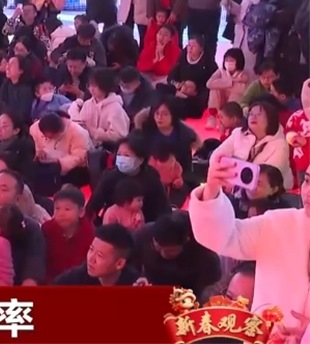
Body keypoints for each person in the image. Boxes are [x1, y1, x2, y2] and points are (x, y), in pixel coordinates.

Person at [191, 155, 310, 341]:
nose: (308, 192)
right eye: (308, 181)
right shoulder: (278, 223)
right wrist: (212, 191)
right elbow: (223, 237)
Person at [133, 211, 222, 297]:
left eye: (170, 251)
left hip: (189, 293)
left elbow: (212, 284)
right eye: (158, 248)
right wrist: (140, 277)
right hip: (153, 288)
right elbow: (130, 262)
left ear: (186, 241)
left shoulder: (202, 250)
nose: (163, 254)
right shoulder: (144, 235)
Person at [87, 134, 171, 223]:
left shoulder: (151, 177)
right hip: (114, 223)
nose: (121, 158)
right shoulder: (110, 176)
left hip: (145, 224)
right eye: (119, 154)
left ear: (140, 159)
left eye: (126, 155)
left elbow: (163, 208)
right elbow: (94, 204)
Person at [210, 99, 293, 190]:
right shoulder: (238, 133)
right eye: (251, 114)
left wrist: (234, 181)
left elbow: (267, 178)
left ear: (270, 119)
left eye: (259, 114)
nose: (253, 117)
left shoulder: (280, 145)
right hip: (235, 187)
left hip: (271, 192)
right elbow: (216, 157)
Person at [227, 0, 274, 74]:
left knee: (250, 69)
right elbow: (242, 11)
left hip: (253, 39)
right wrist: (230, 5)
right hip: (240, 34)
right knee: (237, 67)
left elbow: (261, 17)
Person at [53, 223, 139, 285]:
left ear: (119, 263)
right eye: (91, 249)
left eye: (100, 255)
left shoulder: (134, 283)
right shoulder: (72, 280)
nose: (91, 259)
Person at [29, 112, 92, 195]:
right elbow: (32, 146)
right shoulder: (34, 128)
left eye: (51, 137)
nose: (48, 139)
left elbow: (80, 157)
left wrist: (59, 164)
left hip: (71, 170)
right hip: (44, 166)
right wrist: (38, 152)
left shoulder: (77, 132)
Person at [42, 187, 94, 282]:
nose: (61, 214)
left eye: (67, 209)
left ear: (81, 212)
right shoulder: (47, 229)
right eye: (57, 208)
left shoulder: (90, 233)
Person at [165, 36, 217, 119]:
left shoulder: (209, 63)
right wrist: (178, 84)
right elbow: (171, 77)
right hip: (180, 91)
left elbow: (213, 82)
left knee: (202, 101)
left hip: (197, 94)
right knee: (161, 88)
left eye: (194, 46)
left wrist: (195, 90)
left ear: (201, 49)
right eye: (189, 45)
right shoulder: (182, 58)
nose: (190, 48)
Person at [205, 48, 250, 127]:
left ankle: (229, 119)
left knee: (237, 91)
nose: (229, 62)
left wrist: (221, 83)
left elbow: (242, 89)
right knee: (214, 90)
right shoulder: (221, 71)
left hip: (234, 102)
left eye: (231, 60)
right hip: (221, 101)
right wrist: (230, 82)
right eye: (227, 60)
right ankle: (213, 117)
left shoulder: (243, 74)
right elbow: (209, 84)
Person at [285, 79, 310, 186]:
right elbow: (288, 132)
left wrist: (306, 141)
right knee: (304, 189)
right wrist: (293, 138)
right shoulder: (297, 116)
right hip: (302, 164)